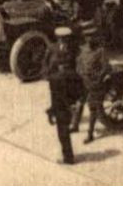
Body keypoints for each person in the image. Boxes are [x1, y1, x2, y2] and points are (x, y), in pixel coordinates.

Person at [45, 27, 84, 164]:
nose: (64, 41)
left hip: (63, 96)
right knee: (63, 129)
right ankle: (68, 155)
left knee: (62, 130)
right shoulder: (53, 48)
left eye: (66, 39)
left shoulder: (73, 50)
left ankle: (68, 157)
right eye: (62, 39)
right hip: (62, 92)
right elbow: (46, 64)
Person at [76, 31, 114, 144]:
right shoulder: (83, 50)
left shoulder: (100, 51)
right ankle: (74, 125)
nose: (89, 40)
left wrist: (97, 78)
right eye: (87, 37)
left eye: (92, 37)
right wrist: (81, 73)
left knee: (93, 109)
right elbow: (78, 64)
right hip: (84, 82)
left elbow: (106, 67)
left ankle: (90, 134)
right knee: (79, 102)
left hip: (96, 84)